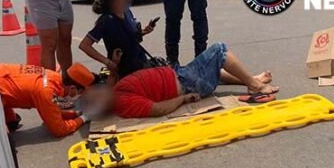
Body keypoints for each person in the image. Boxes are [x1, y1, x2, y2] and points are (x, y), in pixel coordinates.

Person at [84, 43, 278, 119]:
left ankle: (250, 79)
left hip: (181, 75)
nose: (100, 90)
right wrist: (183, 99)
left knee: (213, 71)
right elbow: (157, 109)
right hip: (187, 84)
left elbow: (110, 82)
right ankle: (254, 85)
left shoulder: (112, 92)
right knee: (219, 51)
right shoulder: (123, 102)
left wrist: (113, 64)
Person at [79, 0, 159, 78]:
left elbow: (131, 37)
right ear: (113, 1)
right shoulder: (106, 21)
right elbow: (84, 45)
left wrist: (144, 32)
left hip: (140, 62)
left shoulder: (127, 12)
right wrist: (108, 62)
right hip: (124, 70)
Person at [0, 62, 97, 137]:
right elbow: (60, 130)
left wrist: (76, 114)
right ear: (72, 88)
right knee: (3, 138)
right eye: (81, 93)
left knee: (11, 123)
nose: (80, 96)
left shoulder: (52, 76)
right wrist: (84, 118)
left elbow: (52, 109)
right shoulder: (47, 92)